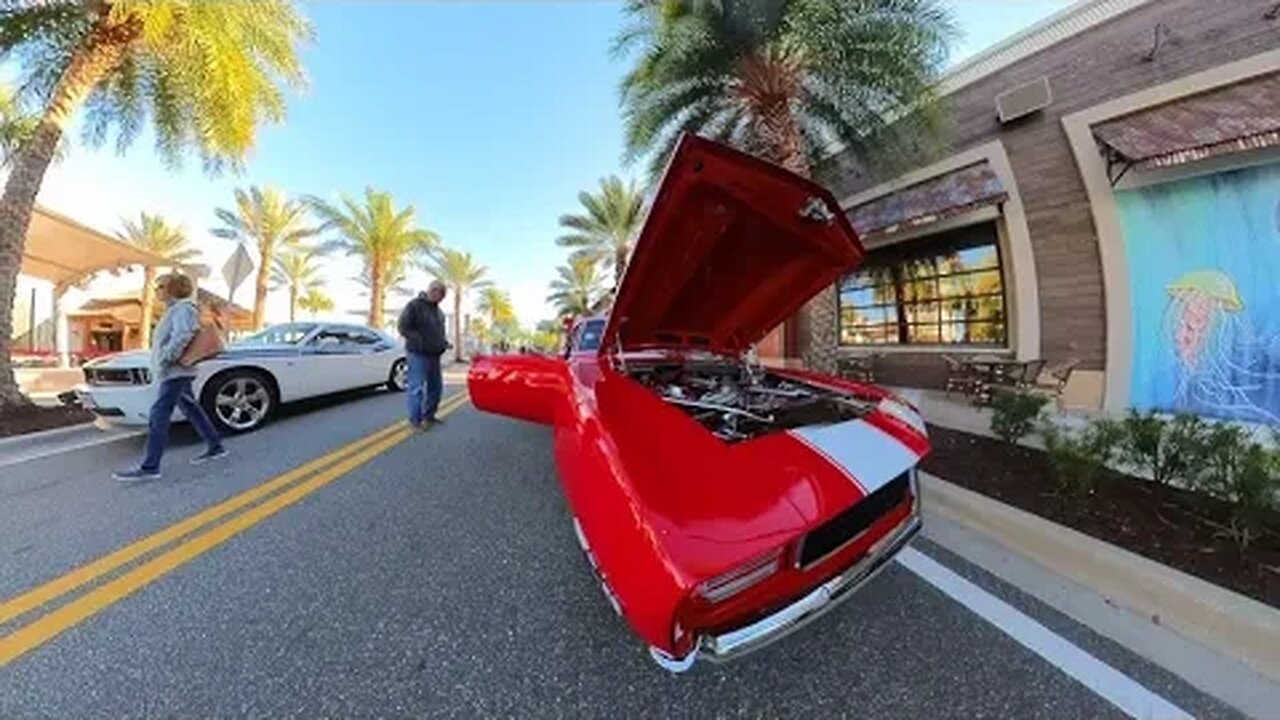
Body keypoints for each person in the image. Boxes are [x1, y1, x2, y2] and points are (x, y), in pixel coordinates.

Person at [114, 273, 227, 482]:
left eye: (161, 286)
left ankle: (150, 466)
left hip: (175, 371)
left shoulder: (183, 309)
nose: (157, 290)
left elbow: (184, 334)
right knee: (191, 408)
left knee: (159, 414)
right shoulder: (174, 310)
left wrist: (166, 359)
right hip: (175, 371)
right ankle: (216, 445)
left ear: (174, 288)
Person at [398, 279, 450, 428]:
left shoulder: (439, 312)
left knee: (436, 388)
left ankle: (430, 416)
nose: (439, 298)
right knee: (417, 388)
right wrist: (420, 340)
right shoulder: (414, 306)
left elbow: (440, 333)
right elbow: (403, 327)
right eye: (438, 293)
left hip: (434, 355)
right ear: (431, 291)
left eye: (442, 296)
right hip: (417, 353)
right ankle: (415, 421)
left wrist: (443, 343)